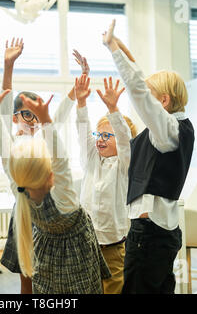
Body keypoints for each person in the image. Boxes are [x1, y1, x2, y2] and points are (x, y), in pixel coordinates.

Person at [0, 80, 111, 293]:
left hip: (45, 243)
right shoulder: (64, 198)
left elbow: (5, 154)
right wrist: (45, 119)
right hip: (70, 249)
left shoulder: (18, 185)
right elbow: (60, 159)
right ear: (50, 177)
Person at [103, 20, 195, 294]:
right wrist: (113, 111)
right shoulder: (164, 131)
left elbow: (139, 90)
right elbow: (128, 150)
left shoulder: (169, 131)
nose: (143, 104)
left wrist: (113, 50)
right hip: (153, 233)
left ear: (163, 101)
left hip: (150, 235)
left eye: (152, 99)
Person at [0, 39, 86, 294]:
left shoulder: (43, 138)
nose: (33, 121)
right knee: (27, 276)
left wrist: (77, 87)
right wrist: (8, 66)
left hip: (50, 212)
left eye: (36, 115)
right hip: (25, 212)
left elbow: (60, 116)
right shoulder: (12, 144)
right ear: (15, 118)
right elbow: (2, 106)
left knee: (47, 277)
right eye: (27, 114)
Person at [74, 72, 137, 294]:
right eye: (98, 135)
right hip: (86, 243)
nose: (100, 140)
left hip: (113, 246)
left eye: (106, 136)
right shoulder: (92, 160)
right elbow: (83, 133)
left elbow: (124, 138)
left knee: (113, 288)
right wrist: (81, 103)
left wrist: (113, 110)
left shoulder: (124, 164)